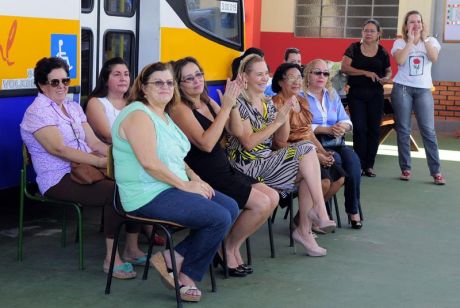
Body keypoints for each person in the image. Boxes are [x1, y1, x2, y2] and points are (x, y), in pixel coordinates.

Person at [111, 61, 238, 302]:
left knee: (230, 207)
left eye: (169, 82)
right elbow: (149, 162)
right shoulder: (138, 113)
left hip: (168, 186)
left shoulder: (164, 115)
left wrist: (194, 177)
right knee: (217, 218)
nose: (165, 87)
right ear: (144, 88)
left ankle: (172, 258)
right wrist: (185, 185)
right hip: (145, 193)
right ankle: (187, 275)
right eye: (158, 82)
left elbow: (176, 158)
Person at [20, 57, 145, 279]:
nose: (61, 86)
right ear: (41, 84)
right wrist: (99, 162)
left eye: (65, 81)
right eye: (54, 82)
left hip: (85, 171)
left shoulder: (73, 107)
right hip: (58, 178)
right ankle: (111, 259)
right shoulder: (37, 111)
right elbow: (59, 149)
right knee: (116, 192)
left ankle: (132, 248)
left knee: (133, 181)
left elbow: (95, 143)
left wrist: (121, 157)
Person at [170, 57, 279, 276]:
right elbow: (207, 144)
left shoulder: (207, 101)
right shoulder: (179, 108)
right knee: (260, 204)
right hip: (204, 173)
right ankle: (228, 249)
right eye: (188, 78)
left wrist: (234, 102)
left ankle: (226, 245)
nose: (196, 81)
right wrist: (226, 107)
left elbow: (235, 130)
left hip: (224, 167)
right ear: (178, 84)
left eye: (198, 75)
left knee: (273, 197)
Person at [227, 54, 336, 257]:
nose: (263, 78)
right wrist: (278, 121)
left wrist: (284, 112)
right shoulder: (239, 103)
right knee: (306, 149)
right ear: (245, 76)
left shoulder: (267, 102)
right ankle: (318, 212)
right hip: (247, 165)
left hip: (266, 162)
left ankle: (305, 230)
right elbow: (249, 143)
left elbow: (282, 136)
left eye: (265, 74)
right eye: (258, 74)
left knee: (307, 160)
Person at [85, 57, 165, 245]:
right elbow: (107, 136)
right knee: (140, 178)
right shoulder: (96, 103)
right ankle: (144, 228)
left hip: (134, 155)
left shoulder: (135, 103)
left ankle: (146, 223)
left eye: (127, 74)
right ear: (106, 79)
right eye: (117, 74)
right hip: (111, 157)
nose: (123, 78)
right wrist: (141, 148)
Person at [271, 63, 345, 207]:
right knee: (324, 182)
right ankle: (310, 219)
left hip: (310, 150)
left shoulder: (301, 101)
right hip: (290, 154)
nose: (297, 81)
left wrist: (323, 152)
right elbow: (279, 143)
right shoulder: (276, 103)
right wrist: (317, 156)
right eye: (291, 78)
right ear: (280, 81)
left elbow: (308, 132)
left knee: (339, 179)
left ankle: (304, 217)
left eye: (299, 77)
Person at [304, 59, 363, 229]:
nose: (322, 76)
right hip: (315, 143)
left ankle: (352, 211)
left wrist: (341, 126)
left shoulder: (332, 94)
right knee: (335, 160)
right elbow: (301, 127)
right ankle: (323, 213)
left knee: (353, 163)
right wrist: (326, 129)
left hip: (337, 140)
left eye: (325, 73)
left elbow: (346, 120)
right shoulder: (301, 96)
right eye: (317, 72)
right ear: (308, 75)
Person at [391, 10, 445, 185]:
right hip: (402, 89)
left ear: (423, 24)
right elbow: (399, 61)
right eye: (411, 22)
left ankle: (436, 172)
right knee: (404, 130)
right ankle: (405, 169)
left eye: (418, 22)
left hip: (423, 90)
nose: (415, 25)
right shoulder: (399, 42)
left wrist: (423, 39)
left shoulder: (432, 41)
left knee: (428, 131)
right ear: (406, 26)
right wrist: (410, 42)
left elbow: (434, 57)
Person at [341, 19, 392, 177]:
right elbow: (345, 68)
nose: (368, 33)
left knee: (374, 130)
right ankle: (359, 164)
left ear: (378, 34)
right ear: (362, 32)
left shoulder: (383, 52)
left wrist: (386, 78)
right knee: (360, 129)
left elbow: (388, 71)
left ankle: (369, 165)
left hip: (376, 95)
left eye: (372, 31)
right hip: (356, 94)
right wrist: (365, 72)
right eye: (366, 30)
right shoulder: (354, 48)